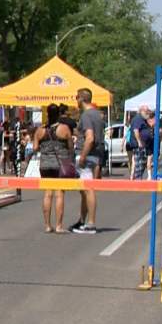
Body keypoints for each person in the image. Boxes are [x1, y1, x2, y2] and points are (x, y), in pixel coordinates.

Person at [33, 103, 74, 233]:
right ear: (58, 115)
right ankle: (58, 225)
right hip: (60, 163)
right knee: (59, 194)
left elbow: (34, 148)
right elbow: (70, 146)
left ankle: (47, 225)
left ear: (47, 114)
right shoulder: (64, 128)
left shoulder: (40, 130)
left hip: (45, 164)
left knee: (47, 193)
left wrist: (44, 147)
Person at [70, 88, 106, 234]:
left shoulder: (86, 115)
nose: (76, 101)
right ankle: (82, 221)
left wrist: (83, 156)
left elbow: (90, 138)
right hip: (96, 155)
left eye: (76, 97)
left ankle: (90, 223)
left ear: (81, 99)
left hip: (87, 155)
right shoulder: (97, 115)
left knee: (88, 190)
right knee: (85, 190)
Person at [130, 105, 151, 180]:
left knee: (142, 163)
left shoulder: (143, 119)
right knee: (139, 163)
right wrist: (139, 142)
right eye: (146, 111)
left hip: (142, 145)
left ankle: (138, 178)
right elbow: (136, 130)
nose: (148, 113)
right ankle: (137, 179)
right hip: (138, 145)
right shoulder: (138, 119)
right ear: (141, 111)